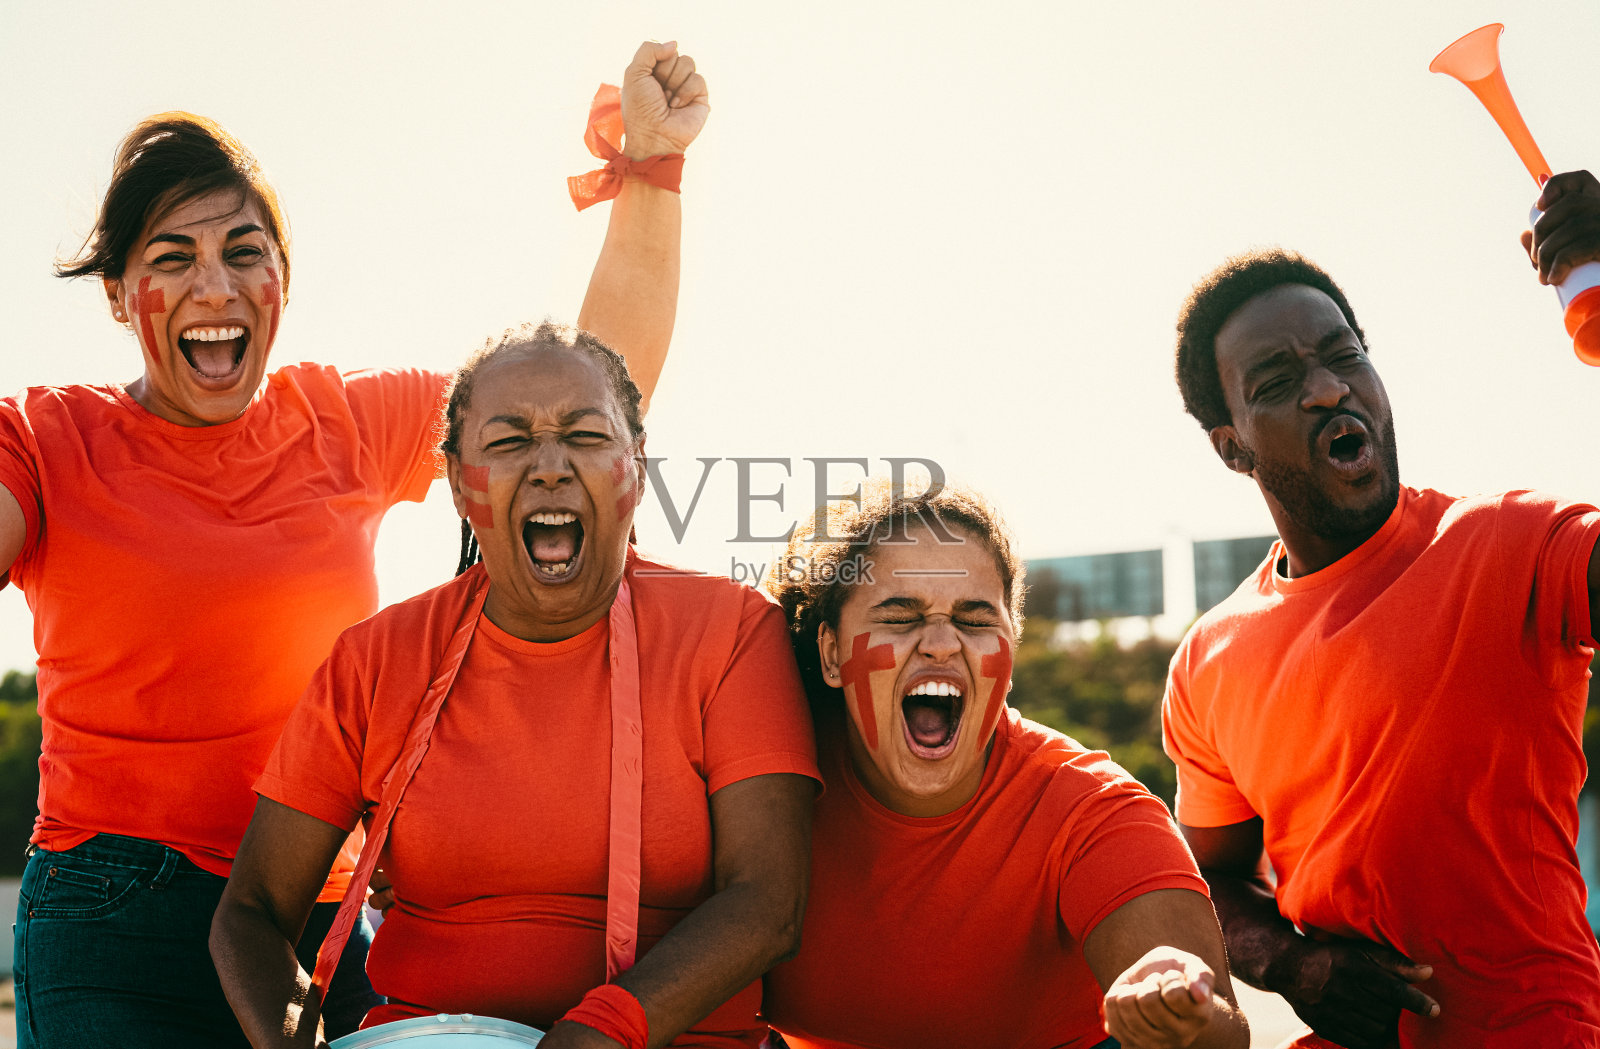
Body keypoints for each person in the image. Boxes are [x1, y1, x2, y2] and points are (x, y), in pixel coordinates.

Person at [5, 40, 706, 1049]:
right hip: (119, 912)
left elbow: (592, 385)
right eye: (173, 258)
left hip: (315, 918)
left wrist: (652, 169)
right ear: (119, 295)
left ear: (281, 276)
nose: (217, 285)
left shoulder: (347, 420)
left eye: (245, 252)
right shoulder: (44, 438)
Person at [211, 322, 820, 1049]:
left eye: (585, 435)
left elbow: (769, 900)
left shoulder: (731, 633)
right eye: (507, 441)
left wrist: (598, 1033)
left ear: (638, 466)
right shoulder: (375, 660)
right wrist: (292, 1044)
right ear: (458, 482)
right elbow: (250, 910)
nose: (550, 465)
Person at [1162, 169, 1600, 1049]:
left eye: (1344, 353)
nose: (1328, 388)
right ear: (1230, 446)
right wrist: (1295, 965)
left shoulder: (1514, 542)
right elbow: (1207, 880)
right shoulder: (1207, 661)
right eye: (1279, 379)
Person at [761, 482, 1249, 1049]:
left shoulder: (1092, 809)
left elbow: (1224, 1036)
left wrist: (1179, 1011)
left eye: (974, 620)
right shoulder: (764, 789)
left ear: (1010, 650)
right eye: (899, 616)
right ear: (829, 654)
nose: (943, 644)